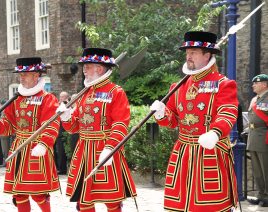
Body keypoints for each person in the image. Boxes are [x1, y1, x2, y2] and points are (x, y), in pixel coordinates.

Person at [150, 31, 239, 211]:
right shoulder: (179, 86)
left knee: (210, 206)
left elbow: (228, 112)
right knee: (180, 206)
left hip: (210, 152)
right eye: (187, 52)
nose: (188, 56)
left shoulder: (223, 84)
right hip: (183, 153)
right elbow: (173, 120)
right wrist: (161, 114)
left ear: (207, 55)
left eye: (193, 52)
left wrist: (215, 132)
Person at [57, 48, 137, 212]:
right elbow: (75, 127)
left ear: (99, 68)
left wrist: (110, 148)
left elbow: (120, 123)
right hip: (84, 151)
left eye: (87, 66)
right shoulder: (84, 93)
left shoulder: (116, 92)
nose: (84, 70)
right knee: (84, 201)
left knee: (112, 200)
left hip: (105, 149)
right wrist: (65, 117)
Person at [0, 57, 60, 212]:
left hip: (37, 149)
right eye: (20, 74)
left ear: (36, 75)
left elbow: (51, 124)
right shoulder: (16, 99)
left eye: (25, 74)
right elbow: (9, 126)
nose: (21, 77)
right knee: (19, 195)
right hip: (19, 149)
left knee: (39, 194)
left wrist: (44, 143)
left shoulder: (47, 98)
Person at [246, 74, 268, 207]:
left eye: (256, 83)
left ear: (264, 85)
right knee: (257, 170)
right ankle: (261, 195)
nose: (253, 85)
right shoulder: (255, 99)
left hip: (263, 136)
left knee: (266, 168)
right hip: (253, 136)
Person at [54, 91, 70, 174]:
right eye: (60, 97)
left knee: (61, 152)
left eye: (63, 97)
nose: (61, 98)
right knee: (56, 151)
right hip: (56, 131)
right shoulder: (59, 105)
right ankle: (57, 167)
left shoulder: (67, 105)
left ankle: (62, 169)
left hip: (63, 131)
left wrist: (63, 104)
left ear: (67, 97)